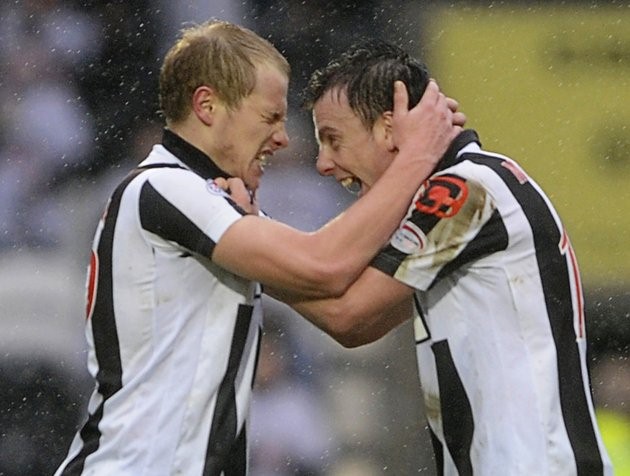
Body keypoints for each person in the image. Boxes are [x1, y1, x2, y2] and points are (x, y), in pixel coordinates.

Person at [54, 22, 463, 475]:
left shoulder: (219, 211)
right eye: (269, 117)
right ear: (207, 105)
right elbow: (324, 264)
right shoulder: (165, 188)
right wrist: (418, 158)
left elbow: (347, 316)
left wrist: (447, 250)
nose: (283, 137)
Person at [267, 40, 613, 475]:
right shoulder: (472, 186)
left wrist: (243, 246)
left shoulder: (463, 190)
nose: (324, 163)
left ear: (388, 127)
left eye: (334, 139)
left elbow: (348, 313)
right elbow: (360, 325)